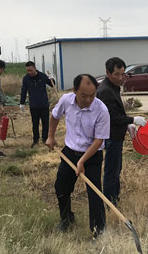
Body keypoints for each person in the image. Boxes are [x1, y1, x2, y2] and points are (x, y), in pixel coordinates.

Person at [46, 74, 110, 237]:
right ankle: (66, 218)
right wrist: (50, 137)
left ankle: (98, 230)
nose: (88, 99)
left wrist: (82, 161)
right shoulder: (66, 100)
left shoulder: (101, 110)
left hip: (92, 155)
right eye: (84, 95)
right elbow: (54, 116)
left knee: (94, 193)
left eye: (92, 95)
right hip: (70, 152)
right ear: (75, 91)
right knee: (61, 187)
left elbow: (98, 141)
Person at [97, 57, 146, 206]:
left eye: (122, 74)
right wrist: (132, 120)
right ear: (108, 73)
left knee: (116, 168)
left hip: (117, 134)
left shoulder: (113, 86)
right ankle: (110, 202)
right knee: (111, 170)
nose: (120, 78)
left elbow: (117, 112)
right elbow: (112, 117)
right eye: (116, 74)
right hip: (111, 135)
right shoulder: (105, 91)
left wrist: (127, 124)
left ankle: (115, 196)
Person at [19, 61, 55, 147]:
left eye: (31, 70)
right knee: (35, 123)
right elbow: (24, 90)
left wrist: (52, 79)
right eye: (27, 71)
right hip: (33, 105)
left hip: (44, 104)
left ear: (35, 68)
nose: (29, 72)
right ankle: (35, 140)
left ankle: (45, 139)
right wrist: (22, 103)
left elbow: (52, 85)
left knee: (45, 123)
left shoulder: (42, 76)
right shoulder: (26, 78)